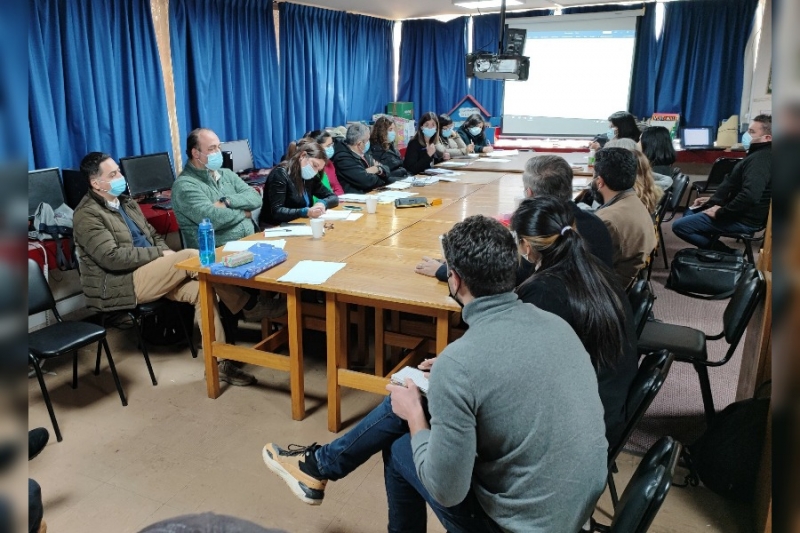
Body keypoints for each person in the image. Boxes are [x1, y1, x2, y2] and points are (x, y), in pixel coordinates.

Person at [263, 216, 608, 532]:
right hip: (573, 511)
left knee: (400, 449)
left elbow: (447, 489)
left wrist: (415, 415)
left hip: (520, 526)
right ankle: (318, 467)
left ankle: (318, 468)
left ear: (454, 280)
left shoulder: (461, 362)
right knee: (415, 427)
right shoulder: (555, 325)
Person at [73, 153, 281, 385]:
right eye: (112, 175)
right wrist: (161, 254)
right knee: (193, 255)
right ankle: (248, 305)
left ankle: (220, 363)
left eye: (119, 172)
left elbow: (152, 235)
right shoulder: (87, 214)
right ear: (95, 183)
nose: (120, 177)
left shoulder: (126, 202)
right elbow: (111, 257)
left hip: (151, 271)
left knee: (203, 290)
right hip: (122, 282)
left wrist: (164, 254)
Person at [510, 196, 638, 449]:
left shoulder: (545, 292)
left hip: (579, 431)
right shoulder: (592, 268)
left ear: (525, 246)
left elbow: (523, 372)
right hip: (607, 406)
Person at [415, 154, 614, 281]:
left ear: (529, 193)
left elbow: (502, 278)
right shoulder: (597, 222)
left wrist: (448, 270)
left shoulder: (538, 234)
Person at [673, 114, 772, 252]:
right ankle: (712, 249)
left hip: (743, 220)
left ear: (767, 138)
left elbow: (750, 195)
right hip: (740, 213)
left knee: (680, 226)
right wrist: (712, 200)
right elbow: (740, 190)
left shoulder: (760, 160)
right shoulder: (762, 154)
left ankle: (728, 254)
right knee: (691, 211)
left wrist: (720, 212)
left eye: (752, 132)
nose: (746, 135)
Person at [172, 128, 262, 249]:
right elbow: (212, 218)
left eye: (219, 147)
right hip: (216, 253)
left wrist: (227, 201)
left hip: (250, 242)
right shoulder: (184, 185)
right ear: (195, 153)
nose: (218, 152)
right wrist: (244, 213)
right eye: (212, 148)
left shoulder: (226, 173)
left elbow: (255, 198)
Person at [592, 147, 657, 288]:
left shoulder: (606, 221)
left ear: (599, 181)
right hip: (623, 284)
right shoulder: (635, 202)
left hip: (602, 292)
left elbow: (582, 266)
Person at [259, 141, 338, 227]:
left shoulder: (310, 176)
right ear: (303, 156)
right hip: (275, 226)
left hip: (299, 223)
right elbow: (277, 212)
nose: (315, 172)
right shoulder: (280, 174)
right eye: (314, 165)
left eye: (318, 170)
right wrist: (305, 211)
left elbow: (333, 197)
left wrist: (323, 203)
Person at [331, 123, 392, 193]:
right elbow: (366, 181)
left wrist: (377, 169)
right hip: (357, 197)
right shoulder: (342, 158)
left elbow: (386, 169)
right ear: (359, 144)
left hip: (372, 192)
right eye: (367, 140)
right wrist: (382, 178)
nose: (369, 143)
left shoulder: (363, 152)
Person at [403, 111, 448, 176]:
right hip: (415, 178)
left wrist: (443, 159)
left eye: (433, 125)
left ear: (436, 127)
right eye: (427, 125)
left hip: (427, 176)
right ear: (421, 127)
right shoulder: (414, 143)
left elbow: (430, 163)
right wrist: (428, 155)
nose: (430, 127)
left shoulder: (431, 142)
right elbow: (412, 169)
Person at [303, 130, 345, 195]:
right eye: (328, 146)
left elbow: (336, 186)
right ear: (317, 147)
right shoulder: (309, 168)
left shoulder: (329, 163)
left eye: (332, 144)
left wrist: (338, 198)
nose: (331, 148)